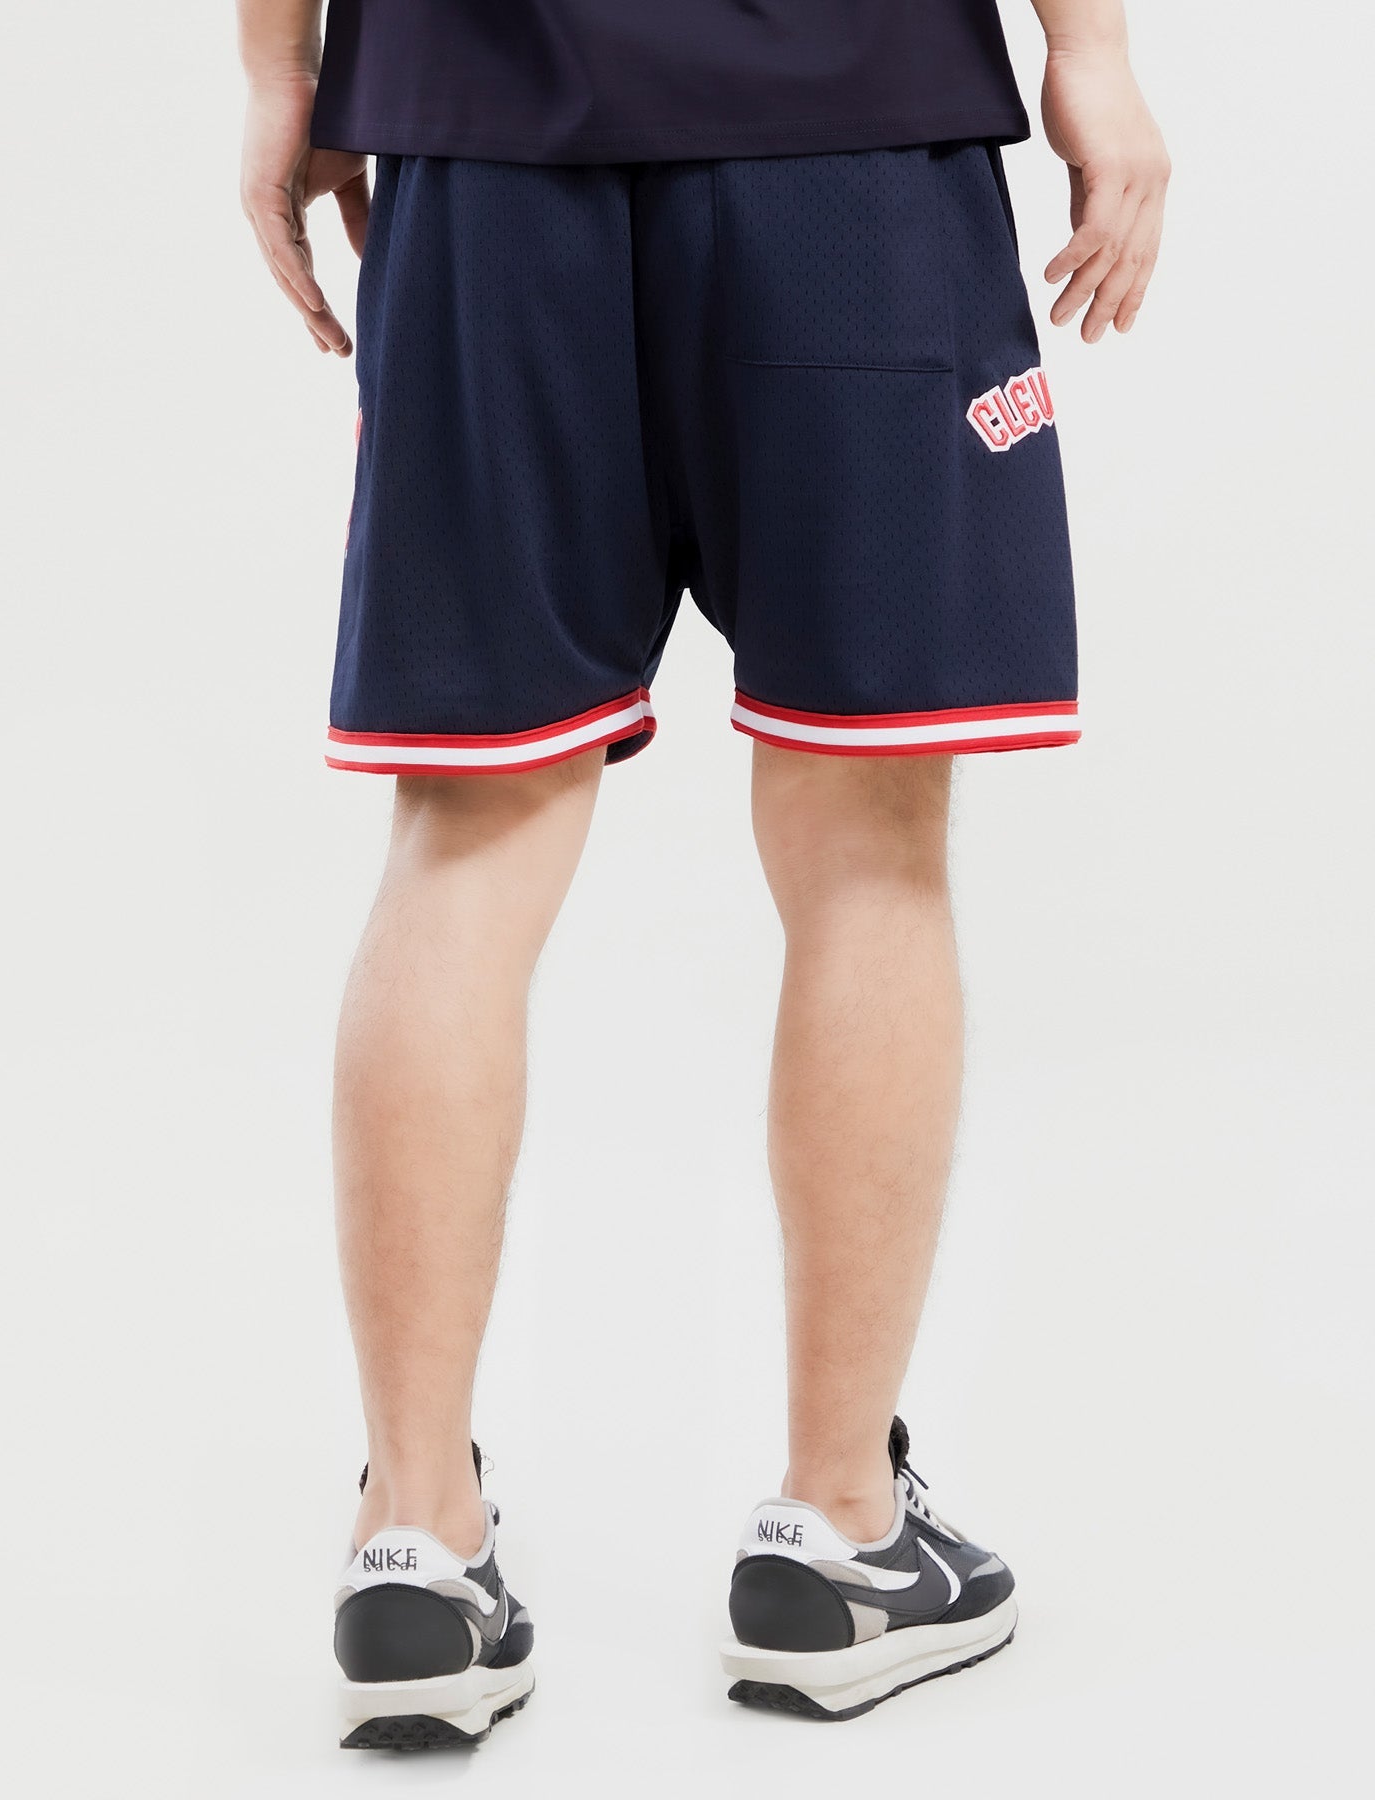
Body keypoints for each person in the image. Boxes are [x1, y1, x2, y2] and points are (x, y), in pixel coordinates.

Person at [237, 0, 1169, 1746]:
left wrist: (281, 76)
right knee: (868, 841)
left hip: (485, 149)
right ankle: (841, 1534)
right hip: (850, 135)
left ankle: (415, 1542)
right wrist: (1093, 56)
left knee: (464, 839)